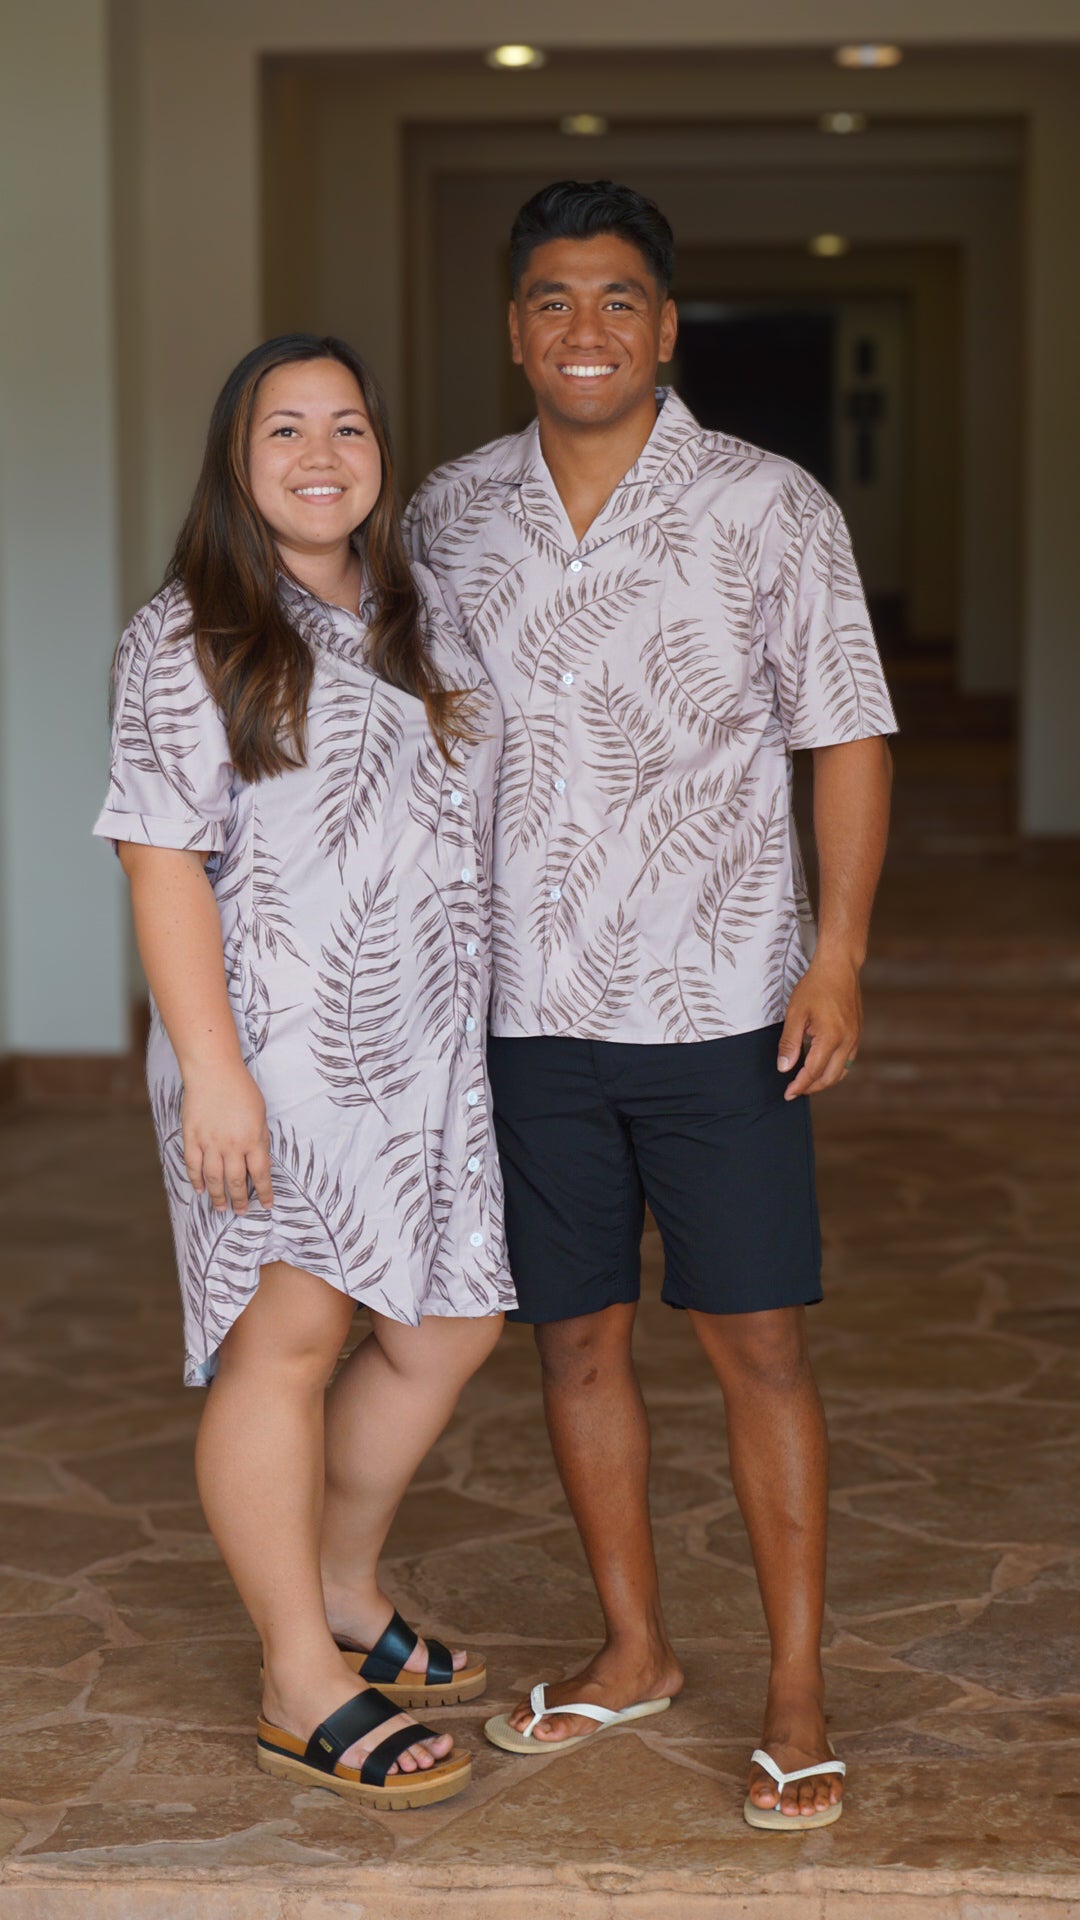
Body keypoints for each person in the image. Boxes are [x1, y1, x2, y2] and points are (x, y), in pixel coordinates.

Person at [405, 180, 896, 1830]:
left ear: (667, 326)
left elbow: (846, 732)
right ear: (514, 328)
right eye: (552, 298)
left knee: (759, 1344)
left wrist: (838, 955)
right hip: (525, 1007)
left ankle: (797, 1686)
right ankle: (635, 1649)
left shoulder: (769, 504)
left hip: (721, 999)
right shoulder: (448, 514)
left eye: (618, 298)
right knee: (576, 1341)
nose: (585, 328)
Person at [94, 333, 516, 1811]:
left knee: (452, 1322)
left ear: (379, 453)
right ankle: (297, 1674)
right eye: (285, 429)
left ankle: (339, 1579)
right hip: (271, 1048)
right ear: (237, 458)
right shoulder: (190, 634)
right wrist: (215, 1077)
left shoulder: (419, 611)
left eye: (347, 426)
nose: (321, 455)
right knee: (287, 1336)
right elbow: (161, 862)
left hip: (427, 1051)